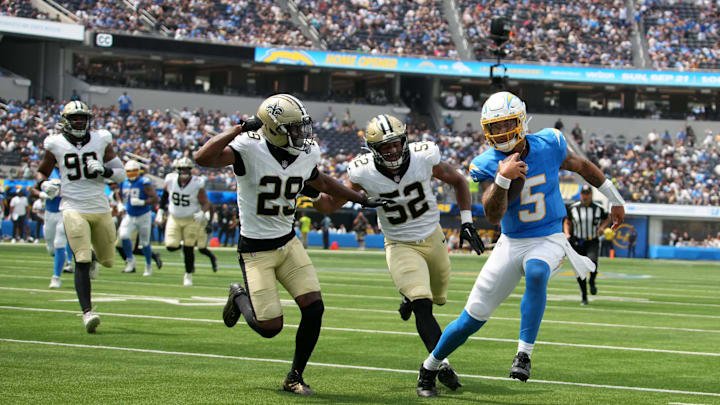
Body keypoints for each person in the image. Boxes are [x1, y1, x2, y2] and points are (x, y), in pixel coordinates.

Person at [415, 91, 625, 397]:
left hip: (550, 236)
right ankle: (429, 367)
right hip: (512, 241)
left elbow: (582, 166)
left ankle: (523, 354)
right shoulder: (487, 162)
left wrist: (615, 199)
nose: (501, 132)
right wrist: (502, 179)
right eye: (495, 126)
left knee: (537, 271)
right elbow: (492, 215)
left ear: (522, 121)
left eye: (507, 124)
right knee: (470, 319)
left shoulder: (549, 143)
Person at [194, 93, 391, 395]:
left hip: (288, 243)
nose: (301, 134)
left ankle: (294, 377)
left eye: (301, 127)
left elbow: (322, 182)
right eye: (293, 128)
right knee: (269, 327)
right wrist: (237, 129)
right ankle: (238, 297)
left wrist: (361, 199)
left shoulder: (306, 153)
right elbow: (202, 158)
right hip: (256, 250)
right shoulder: (248, 147)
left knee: (314, 309)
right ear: (273, 128)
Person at [312, 114, 485, 392]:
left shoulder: (424, 156)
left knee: (439, 298)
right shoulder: (361, 172)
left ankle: (408, 296)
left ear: (405, 141)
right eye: (384, 146)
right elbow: (330, 205)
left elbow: (459, 181)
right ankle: (440, 365)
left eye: (395, 144)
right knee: (423, 305)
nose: (391, 150)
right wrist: (308, 190)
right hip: (399, 244)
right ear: (372, 150)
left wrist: (466, 221)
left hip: (433, 237)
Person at [36, 100, 126, 333]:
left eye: (82, 118)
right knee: (81, 259)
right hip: (72, 205)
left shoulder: (101, 139)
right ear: (65, 120)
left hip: (100, 206)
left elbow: (121, 174)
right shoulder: (54, 143)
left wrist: (104, 170)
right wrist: (44, 184)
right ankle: (88, 313)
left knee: (107, 261)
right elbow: (41, 172)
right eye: (74, 118)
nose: (79, 121)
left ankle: (95, 256)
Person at [157, 157, 217, 286]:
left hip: (191, 218)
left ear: (190, 170)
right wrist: (161, 210)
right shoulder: (170, 179)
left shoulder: (197, 183)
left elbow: (206, 202)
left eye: (186, 168)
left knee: (189, 248)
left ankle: (188, 275)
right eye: (181, 169)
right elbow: (164, 195)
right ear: (177, 170)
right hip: (174, 217)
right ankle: (182, 246)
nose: (184, 171)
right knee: (170, 246)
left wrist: (202, 212)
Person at [564, 185, 610, 305]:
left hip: (592, 240)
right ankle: (584, 296)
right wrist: (567, 233)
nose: (585, 196)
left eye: (587, 194)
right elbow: (567, 221)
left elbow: (608, 218)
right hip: (577, 241)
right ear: (580, 195)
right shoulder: (573, 208)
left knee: (593, 263)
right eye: (583, 193)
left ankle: (592, 281)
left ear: (591, 195)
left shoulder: (598, 208)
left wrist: (602, 227)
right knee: (580, 269)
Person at [116, 160, 158, 276]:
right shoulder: (123, 182)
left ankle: (148, 265)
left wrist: (143, 202)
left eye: (134, 171)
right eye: (129, 171)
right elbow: (118, 193)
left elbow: (155, 199)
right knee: (123, 235)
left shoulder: (144, 182)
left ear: (138, 171)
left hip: (144, 215)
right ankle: (130, 260)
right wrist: (120, 204)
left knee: (145, 243)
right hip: (129, 214)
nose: (132, 174)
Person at [32, 169, 74, 288]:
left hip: (65, 211)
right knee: (51, 249)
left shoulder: (72, 171)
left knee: (59, 243)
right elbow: (32, 190)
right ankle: (74, 257)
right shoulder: (49, 172)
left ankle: (56, 277)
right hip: (49, 213)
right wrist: (42, 194)